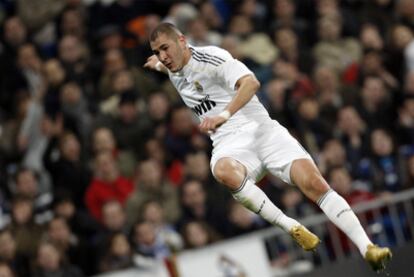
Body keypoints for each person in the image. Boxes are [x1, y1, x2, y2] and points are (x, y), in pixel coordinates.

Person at [144, 23, 391, 271]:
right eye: (157, 51)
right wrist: (154, 63)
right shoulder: (171, 67)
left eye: (165, 48)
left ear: (182, 41)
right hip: (229, 143)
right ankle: (292, 227)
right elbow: (166, 67)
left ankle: (368, 248)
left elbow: (251, 83)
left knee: (315, 185)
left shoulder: (211, 57)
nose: (163, 56)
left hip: (263, 132)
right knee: (223, 172)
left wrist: (224, 115)